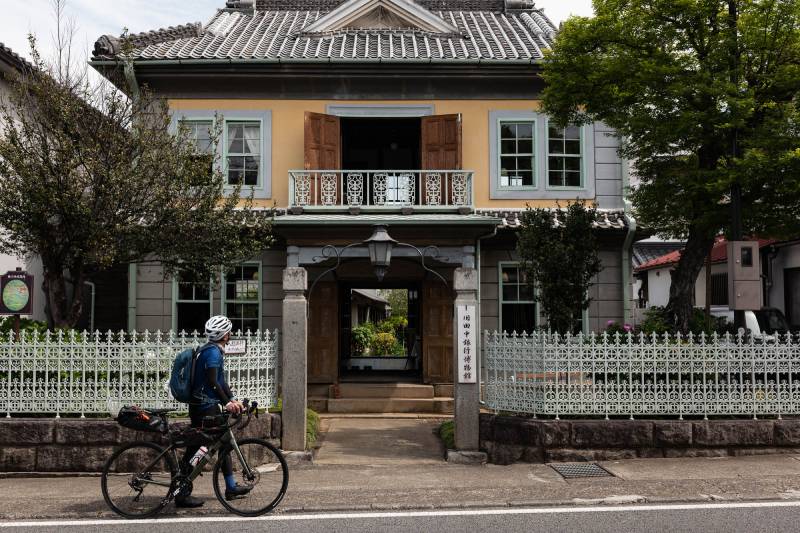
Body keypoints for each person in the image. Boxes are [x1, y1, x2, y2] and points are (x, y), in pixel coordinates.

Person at [176, 315, 251, 508]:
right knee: (200, 448)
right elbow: (212, 381)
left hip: (203, 405)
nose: (231, 334)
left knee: (220, 442)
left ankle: (230, 486)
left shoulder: (208, 350)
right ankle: (181, 491)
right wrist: (227, 404)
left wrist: (232, 399)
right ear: (225, 335)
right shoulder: (213, 354)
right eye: (229, 332)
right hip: (205, 408)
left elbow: (221, 381)